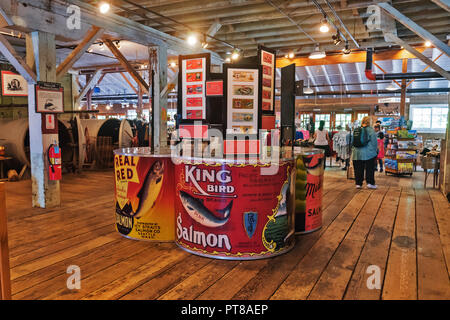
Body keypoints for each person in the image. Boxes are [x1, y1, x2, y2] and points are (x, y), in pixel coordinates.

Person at [352, 116, 378, 189]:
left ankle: (358, 184)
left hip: (356, 153)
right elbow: (374, 143)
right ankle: (370, 183)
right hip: (368, 153)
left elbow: (352, 141)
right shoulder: (370, 130)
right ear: (370, 122)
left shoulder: (356, 129)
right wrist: (375, 151)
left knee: (358, 168)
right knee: (370, 168)